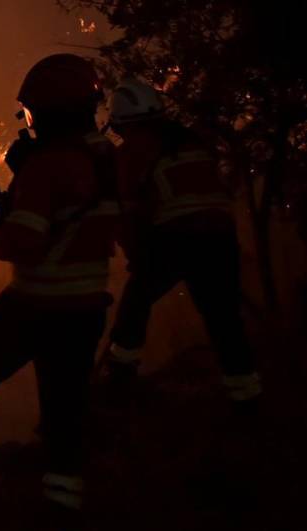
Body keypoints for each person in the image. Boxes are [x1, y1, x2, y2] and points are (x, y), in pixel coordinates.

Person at [0, 54, 121, 519]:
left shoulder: (48, 167)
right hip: (87, 307)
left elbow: (23, 241)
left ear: (48, 111)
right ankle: (63, 515)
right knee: (64, 410)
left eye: (31, 114)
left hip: (39, 303)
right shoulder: (107, 158)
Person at [102, 78, 261, 406]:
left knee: (136, 301)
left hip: (179, 237)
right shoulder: (189, 140)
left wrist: (137, 254)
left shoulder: (133, 151)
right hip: (220, 237)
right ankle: (246, 396)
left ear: (122, 122)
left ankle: (120, 372)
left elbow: (129, 212)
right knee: (223, 317)